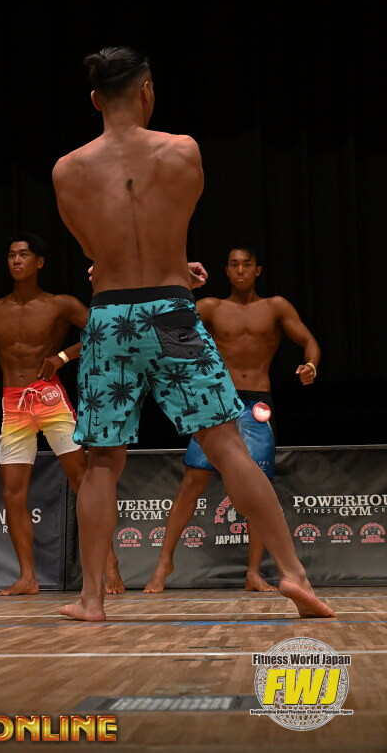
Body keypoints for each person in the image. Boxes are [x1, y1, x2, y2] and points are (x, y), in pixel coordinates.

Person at [52, 45, 335, 622]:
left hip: (110, 320)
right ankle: (294, 574)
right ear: (147, 90)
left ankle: (91, 600)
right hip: (174, 315)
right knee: (227, 445)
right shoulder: (183, 151)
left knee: (102, 461)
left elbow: (95, 253)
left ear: (94, 100)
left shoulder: (68, 169)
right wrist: (176, 271)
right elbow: (165, 225)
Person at [0, 233, 124, 596]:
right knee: (12, 492)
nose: (16, 260)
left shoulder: (59, 304)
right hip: (13, 403)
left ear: (39, 262)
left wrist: (63, 356)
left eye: (23, 255)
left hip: (49, 398)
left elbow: (103, 331)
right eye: (11, 255)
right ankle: (27, 576)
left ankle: (109, 562)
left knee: (81, 479)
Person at [144, 241, 320, 594]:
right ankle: (163, 563)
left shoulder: (275, 306)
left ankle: (254, 573)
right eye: (234, 264)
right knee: (192, 481)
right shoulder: (211, 306)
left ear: (257, 270)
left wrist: (311, 364)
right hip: (216, 398)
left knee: (258, 486)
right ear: (225, 271)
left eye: (247, 264)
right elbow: (169, 330)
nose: (240, 270)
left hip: (257, 403)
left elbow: (308, 340)